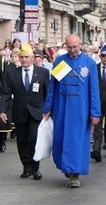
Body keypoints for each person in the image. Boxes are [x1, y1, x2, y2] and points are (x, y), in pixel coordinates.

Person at [43, 34, 101, 188]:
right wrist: (47, 107)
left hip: (80, 109)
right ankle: (66, 167)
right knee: (61, 139)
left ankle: (74, 174)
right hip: (62, 107)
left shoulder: (89, 63)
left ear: (80, 44)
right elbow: (53, 87)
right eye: (69, 47)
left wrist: (95, 112)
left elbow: (94, 90)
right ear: (65, 46)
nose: (73, 50)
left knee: (76, 141)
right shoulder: (60, 62)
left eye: (75, 47)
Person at [0, 44, 49, 180]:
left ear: (33, 58)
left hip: (36, 112)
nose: (24, 60)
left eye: (27, 57)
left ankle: (35, 167)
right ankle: (26, 167)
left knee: (33, 138)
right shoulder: (12, 73)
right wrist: (2, 110)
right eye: (22, 57)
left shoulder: (42, 72)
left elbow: (47, 93)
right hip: (20, 112)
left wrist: (48, 110)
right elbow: (6, 92)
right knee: (22, 141)